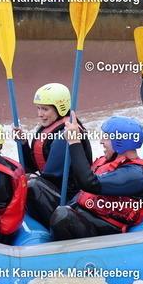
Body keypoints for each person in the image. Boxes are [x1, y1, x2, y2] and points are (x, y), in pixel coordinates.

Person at [49, 115, 143, 240]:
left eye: (106, 137)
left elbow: (89, 183)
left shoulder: (136, 174)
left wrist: (74, 142)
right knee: (35, 184)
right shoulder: (109, 162)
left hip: (106, 228)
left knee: (63, 215)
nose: (101, 141)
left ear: (120, 142)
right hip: (86, 214)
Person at [16, 83, 92, 227]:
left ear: (60, 108)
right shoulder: (51, 127)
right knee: (24, 177)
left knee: (29, 183)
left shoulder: (65, 135)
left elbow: (51, 178)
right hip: (55, 190)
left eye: (45, 109)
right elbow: (32, 167)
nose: (40, 114)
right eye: (38, 108)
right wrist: (24, 144)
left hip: (70, 200)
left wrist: (29, 179)